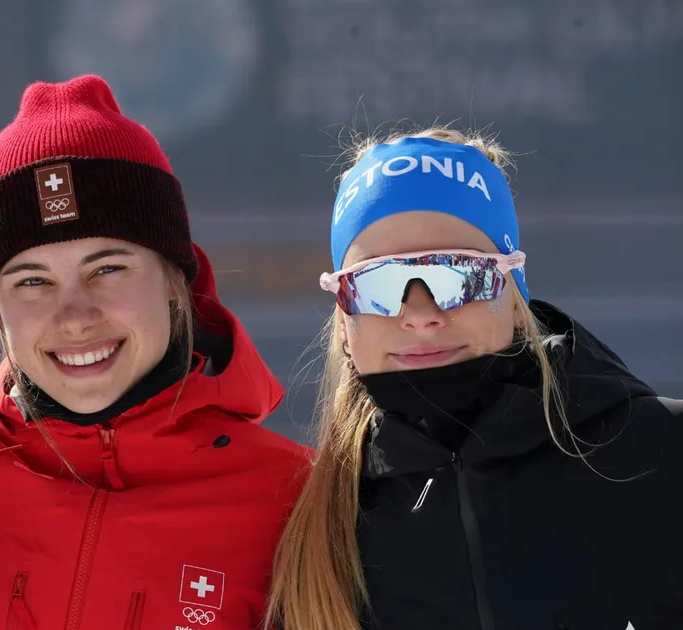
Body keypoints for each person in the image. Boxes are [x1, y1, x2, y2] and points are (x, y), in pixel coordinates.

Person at [0, 75, 311, 629]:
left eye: (108, 269)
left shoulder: (297, 501)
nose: (75, 317)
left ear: (174, 280)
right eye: (31, 281)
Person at [267, 128, 683, 630]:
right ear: (343, 312)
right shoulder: (306, 530)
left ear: (513, 290)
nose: (419, 316)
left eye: (460, 275)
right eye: (377, 284)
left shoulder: (663, 453)